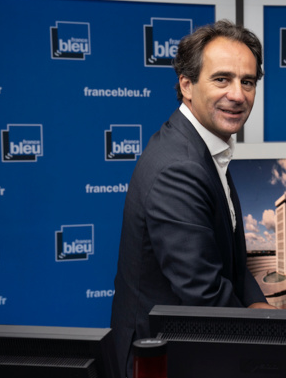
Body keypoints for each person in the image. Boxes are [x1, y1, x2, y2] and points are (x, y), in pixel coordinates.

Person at [110, 20, 275, 377]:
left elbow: (231, 259)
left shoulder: (204, 145)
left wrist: (256, 303)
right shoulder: (180, 166)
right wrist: (275, 344)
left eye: (248, 82)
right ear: (186, 85)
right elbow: (205, 294)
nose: (238, 95)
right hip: (161, 362)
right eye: (222, 79)